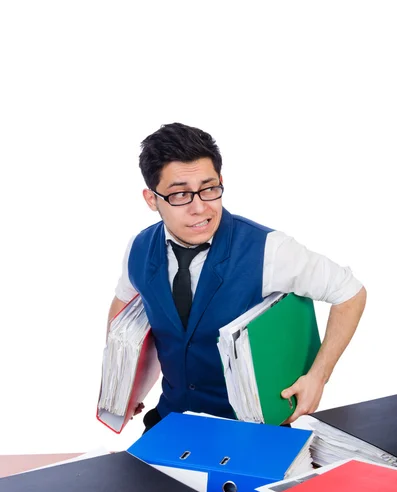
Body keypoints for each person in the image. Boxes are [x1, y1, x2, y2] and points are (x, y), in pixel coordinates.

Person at [107, 122, 366, 432]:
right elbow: (124, 304)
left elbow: (350, 293)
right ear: (152, 200)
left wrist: (318, 376)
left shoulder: (270, 249)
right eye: (180, 195)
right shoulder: (138, 248)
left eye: (209, 188)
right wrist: (125, 382)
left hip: (251, 431)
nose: (200, 207)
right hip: (171, 422)